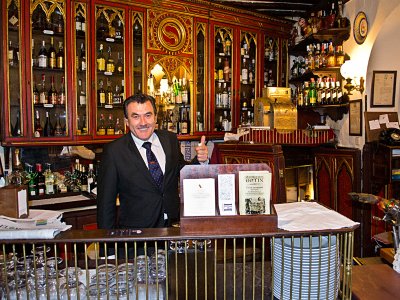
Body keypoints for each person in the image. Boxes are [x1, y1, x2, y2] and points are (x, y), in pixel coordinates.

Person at [97, 93, 209, 230]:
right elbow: (105, 206)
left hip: (174, 230)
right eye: (136, 116)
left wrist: (200, 160)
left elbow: (183, 172)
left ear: (156, 118)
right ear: (126, 121)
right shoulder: (114, 151)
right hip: (137, 238)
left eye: (148, 115)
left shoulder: (169, 140)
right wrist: (109, 248)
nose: (143, 122)